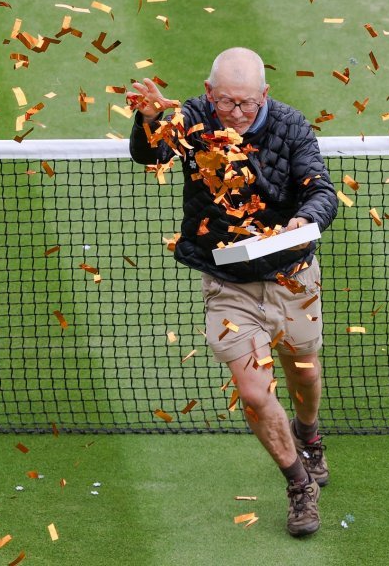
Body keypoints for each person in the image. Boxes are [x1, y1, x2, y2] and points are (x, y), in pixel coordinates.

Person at [128, 47, 338, 537]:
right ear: (209, 93)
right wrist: (150, 119)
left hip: (292, 276)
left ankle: (308, 434)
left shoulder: (290, 125)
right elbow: (150, 153)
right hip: (228, 283)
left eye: (246, 104)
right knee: (252, 390)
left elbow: (322, 189)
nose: (237, 114)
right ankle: (298, 483)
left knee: (303, 375)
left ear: (264, 95)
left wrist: (305, 220)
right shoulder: (194, 118)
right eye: (227, 103)